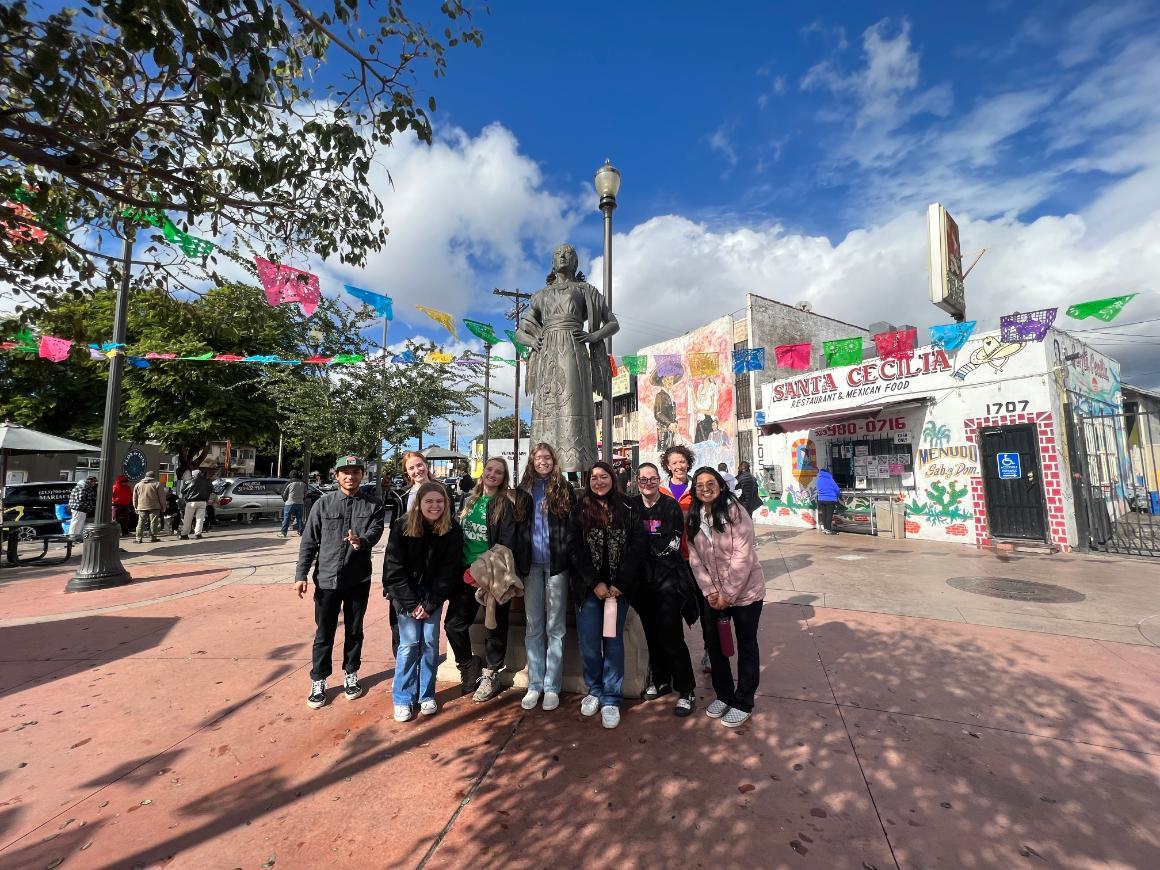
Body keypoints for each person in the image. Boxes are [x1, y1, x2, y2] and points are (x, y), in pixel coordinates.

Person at [515, 243, 620, 473]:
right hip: (547, 352)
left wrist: (594, 336)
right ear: (553, 263)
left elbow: (612, 323)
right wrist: (533, 342)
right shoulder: (540, 296)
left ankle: (577, 470)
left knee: (573, 405)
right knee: (548, 406)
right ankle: (542, 469)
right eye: (558, 254)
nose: (563, 256)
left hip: (574, 349)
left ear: (575, 262)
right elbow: (520, 331)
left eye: (569, 253)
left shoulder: (586, 290)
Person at [294, 455, 386, 710]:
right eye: (345, 472)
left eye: (355, 472)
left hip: (358, 579)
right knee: (324, 632)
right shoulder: (322, 504)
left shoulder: (374, 505)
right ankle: (319, 679)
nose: (350, 476)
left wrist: (362, 541)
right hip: (326, 579)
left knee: (354, 630)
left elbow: (375, 532)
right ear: (336, 476)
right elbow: (309, 542)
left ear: (362, 475)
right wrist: (300, 575)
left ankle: (351, 672)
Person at [447, 457, 532, 702]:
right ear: (482, 473)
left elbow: (505, 543)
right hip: (465, 573)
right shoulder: (468, 500)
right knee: (454, 624)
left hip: (492, 573)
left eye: (498, 472)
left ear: (504, 478)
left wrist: (481, 569)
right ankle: (467, 664)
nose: (492, 474)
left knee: (495, 625)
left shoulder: (503, 505)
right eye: (489, 470)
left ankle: (492, 672)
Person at [687, 466, 767, 728]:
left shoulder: (735, 511)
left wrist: (727, 595)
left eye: (711, 483)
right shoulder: (694, 516)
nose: (705, 488)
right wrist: (711, 592)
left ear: (721, 485)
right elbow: (695, 558)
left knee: (746, 645)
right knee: (715, 646)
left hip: (746, 594)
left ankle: (744, 701)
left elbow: (742, 556)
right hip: (713, 595)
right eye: (699, 484)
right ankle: (724, 694)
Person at [567, 460, 643, 729]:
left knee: (612, 641)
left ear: (613, 478)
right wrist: (595, 582)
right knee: (588, 641)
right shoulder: (580, 509)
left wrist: (619, 583)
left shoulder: (628, 508)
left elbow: (636, 548)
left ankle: (611, 697)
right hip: (589, 589)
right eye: (593, 478)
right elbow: (574, 548)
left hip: (617, 591)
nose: (599, 482)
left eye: (603, 476)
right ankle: (595, 690)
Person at [383, 481, 463, 722]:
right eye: (429, 501)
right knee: (408, 644)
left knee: (429, 642)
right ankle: (403, 697)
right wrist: (410, 604)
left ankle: (426, 694)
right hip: (405, 592)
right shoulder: (402, 527)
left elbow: (449, 571)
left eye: (439, 501)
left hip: (432, 592)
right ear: (419, 504)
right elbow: (393, 569)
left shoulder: (451, 529)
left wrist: (430, 603)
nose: (434, 506)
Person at [630, 462, 697, 716]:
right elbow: (628, 537)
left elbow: (673, 540)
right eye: (643, 479)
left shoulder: (669, 506)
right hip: (642, 582)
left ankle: (686, 688)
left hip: (667, 579)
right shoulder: (632, 505)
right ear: (637, 481)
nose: (647, 483)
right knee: (652, 634)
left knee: (671, 635)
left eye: (652, 478)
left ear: (659, 480)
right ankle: (661, 680)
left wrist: (646, 554)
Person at [517, 442, 575, 712]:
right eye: (538, 457)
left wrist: (565, 557)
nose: (543, 461)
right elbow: (518, 529)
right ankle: (535, 684)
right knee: (534, 626)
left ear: (554, 460)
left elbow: (571, 527)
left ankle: (552, 685)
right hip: (532, 566)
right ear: (532, 461)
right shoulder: (523, 490)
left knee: (556, 627)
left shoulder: (564, 488)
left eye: (547, 457)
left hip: (556, 565)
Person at [132, 471, 166, 543]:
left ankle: (138, 538)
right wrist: (163, 506)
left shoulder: (138, 485)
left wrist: (135, 506)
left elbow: (134, 497)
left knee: (141, 522)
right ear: (153, 476)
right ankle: (153, 537)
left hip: (141, 506)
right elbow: (161, 497)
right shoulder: (157, 484)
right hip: (154, 506)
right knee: (154, 522)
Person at [180, 469, 211, 540]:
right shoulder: (206, 481)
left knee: (187, 519)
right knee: (200, 518)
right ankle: (198, 533)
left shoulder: (190, 481)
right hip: (203, 502)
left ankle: (184, 534)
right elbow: (211, 489)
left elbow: (183, 491)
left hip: (191, 502)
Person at [67, 476, 97, 542]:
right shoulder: (83, 487)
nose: (94, 483)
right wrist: (88, 505)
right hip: (79, 508)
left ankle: (77, 536)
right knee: (76, 522)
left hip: (80, 508)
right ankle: (73, 537)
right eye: (94, 482)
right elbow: (81, 499)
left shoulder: (84, 487)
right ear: (90, 481)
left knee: (79, 522)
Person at [278, 470, 306, 538]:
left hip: (290, 503)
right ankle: (301, 532)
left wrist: (285, 500)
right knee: (299, 518)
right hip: (300, 503)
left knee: (286, 518)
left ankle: (283, 532)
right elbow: (306, 493)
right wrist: (302, 499)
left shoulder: (289, 483)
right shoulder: (303, 483)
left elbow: (283, 493)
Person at [815, 467, 841, 535]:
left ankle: (825, 529)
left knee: (824, 514)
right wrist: (838, 495)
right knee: (829, 515)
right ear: (827, 472)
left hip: (821, 499)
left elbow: (818, 488)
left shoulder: (818, 480)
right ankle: (829, 530)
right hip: (830, 499)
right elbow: (837, 489)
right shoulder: (830, 479)